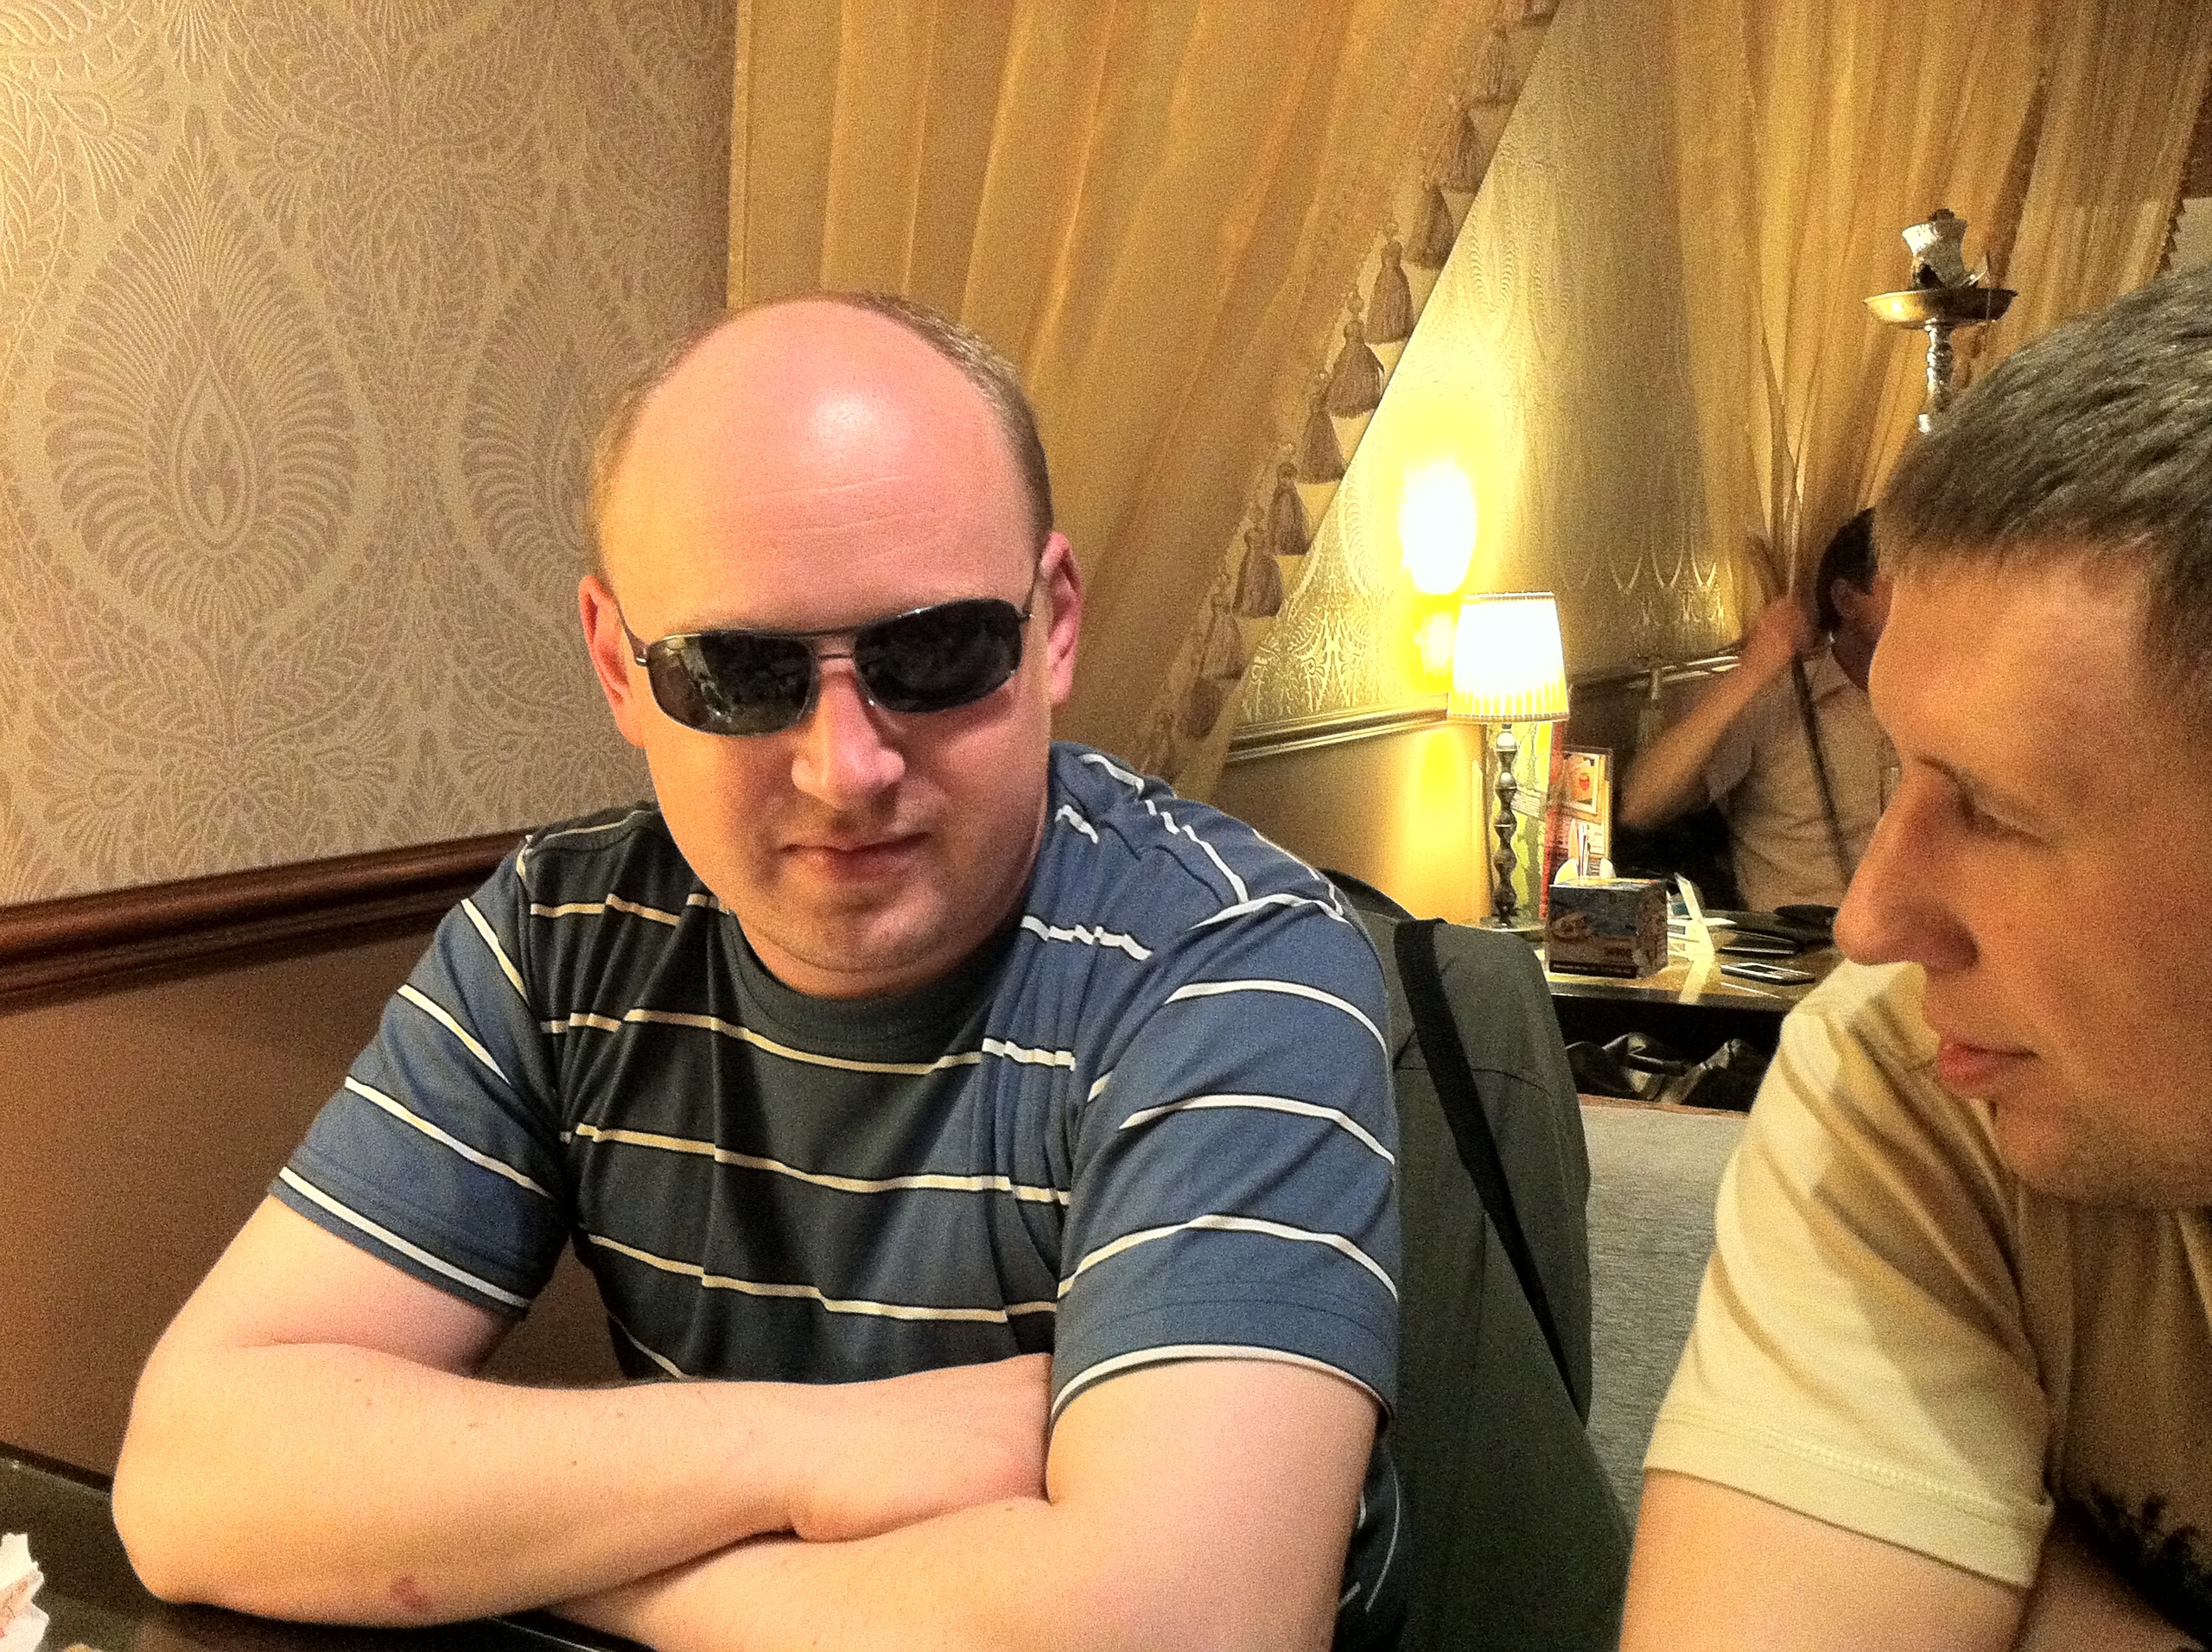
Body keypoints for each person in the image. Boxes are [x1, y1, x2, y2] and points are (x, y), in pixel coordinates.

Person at [111, 294, 1406, 1652]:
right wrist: (813, 1451)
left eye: (936, 651)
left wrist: (523, 1548)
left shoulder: (1235, 966)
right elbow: (195, 1478)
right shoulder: (563, 934)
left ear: (1055, 624)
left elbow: (1181, 1630)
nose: (846, 768)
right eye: (733, 673)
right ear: (618, 666)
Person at [1621, 264, 2212, 1649]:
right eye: (1907, 772)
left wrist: (2033, 1585)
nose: (1873, 924)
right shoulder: (1905, 1073)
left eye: (1995, 810)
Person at [1617, 511, 1894, 911]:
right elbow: (1641, 804)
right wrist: (1755, 668)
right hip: (1801, 939)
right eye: (1906, 586)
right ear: (1846, 599)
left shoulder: (1944, 700)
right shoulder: (1776, 695)